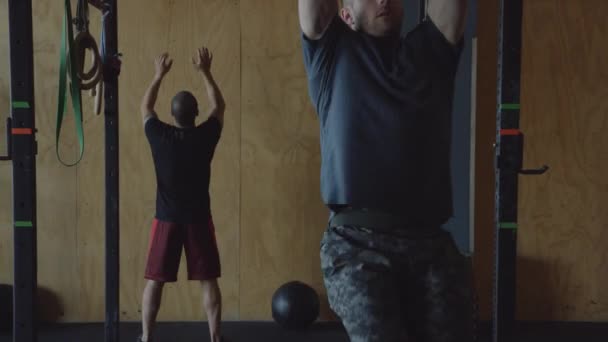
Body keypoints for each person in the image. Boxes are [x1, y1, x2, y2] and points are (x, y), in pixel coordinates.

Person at [298, 0, 475, 341]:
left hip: (431, 244)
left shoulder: (431, 50)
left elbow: (450, 10)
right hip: (356, 244)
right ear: (345, 14)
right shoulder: (332, 52)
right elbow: (315, 12)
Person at [138, 46, 226, 342]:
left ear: (172, 115)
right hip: (199, 218)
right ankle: (215, 338)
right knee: (208, 280)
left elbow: (146, 108)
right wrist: (205, 71)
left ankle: (146, 338)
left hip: (166, 220)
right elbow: (220, 106)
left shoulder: (159, 137)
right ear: (195, 113)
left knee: (154, 282)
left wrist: (158, 75)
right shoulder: (204, 137)